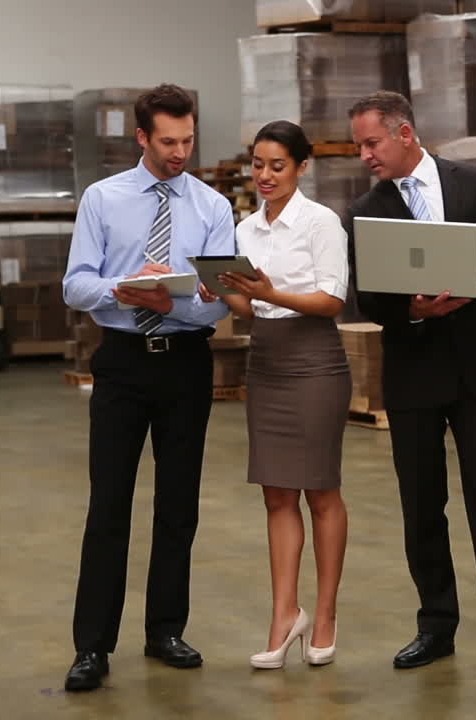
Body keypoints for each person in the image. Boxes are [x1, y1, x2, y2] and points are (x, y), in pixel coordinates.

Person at [344, 91, 476, 681]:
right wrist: (412, 309)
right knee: (422, 505)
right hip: (412, 371)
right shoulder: (367, 208)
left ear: (404, 134)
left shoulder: (474, 184)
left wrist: (469, 274)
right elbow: (369, 298)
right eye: (358, 146)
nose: (365, 156)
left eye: (371, 143)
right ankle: (436, 626)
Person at [61, 84, 234, 692]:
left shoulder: (212, 207)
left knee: (178, 504)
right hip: (123, 364)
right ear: (142, 137)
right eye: (168, 142)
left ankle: (165, 630)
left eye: (188, 140)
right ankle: (91, 647)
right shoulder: (103, 200)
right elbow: (76, 286)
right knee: (109, 505)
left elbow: (219, 307)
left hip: (185, 364)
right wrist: (127, 286)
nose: (180, 152)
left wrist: (177, 302)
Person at [199, 120, 351, 670]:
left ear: (302, 167)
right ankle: (285, 614)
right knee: (276, 494)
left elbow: (332, 300)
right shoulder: (245, 231)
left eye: (277, 166)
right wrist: (225, 290)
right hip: (265, 362)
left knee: (320, 490)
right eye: (258, 165)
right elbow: (250, 309)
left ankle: (327, 613)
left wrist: (270, 291)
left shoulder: (321, 223)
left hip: (314, 364)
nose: (264, 175)